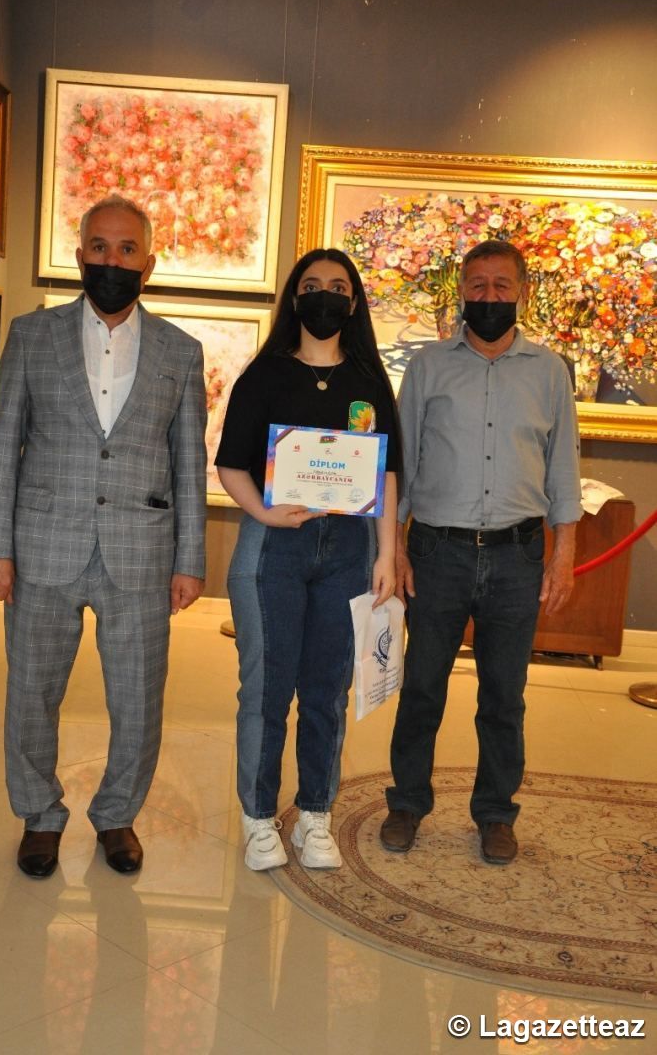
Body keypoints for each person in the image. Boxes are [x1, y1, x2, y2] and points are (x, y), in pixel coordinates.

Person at [0, 195, 207, 878]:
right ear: (79, 256)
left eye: (127, 249)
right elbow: (2, 445)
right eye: (99, 247)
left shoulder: (180, 352)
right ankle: (39, 816)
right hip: (42, 547)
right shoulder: (31, 336)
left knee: (138, 699)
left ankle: (116, 815)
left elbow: (188, 462)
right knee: (32, 694)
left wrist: (190, 559)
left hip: (141, 552)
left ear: (148, 263)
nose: (113, 260)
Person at [380, 239, 582, 865]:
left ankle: (495, 813)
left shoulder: (549, 372)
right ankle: (407, 803)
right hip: (436, 553)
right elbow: (402, 461)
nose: (488, 296)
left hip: (517, 555)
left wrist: (564, 554)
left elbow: (563, 467)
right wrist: (395, 547)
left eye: (501, 285)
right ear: (461, 292)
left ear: (521, 292)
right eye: (477, 285)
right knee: (422, 686)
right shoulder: (428, 368)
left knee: (503, 695)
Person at [216, 248, 401, 872]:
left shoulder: (370, 381)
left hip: (349, 551)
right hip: (274, 550)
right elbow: (230, 465)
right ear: (295, 298)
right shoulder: (264, 376)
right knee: (266, 690)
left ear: (354, 301)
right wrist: (264, 512)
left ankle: (316, 814)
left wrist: (387, 553)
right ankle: (258, 818)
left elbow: (387, 473)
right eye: (313, 285)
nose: (326, 296)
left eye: (339, 287)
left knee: (327, 689)